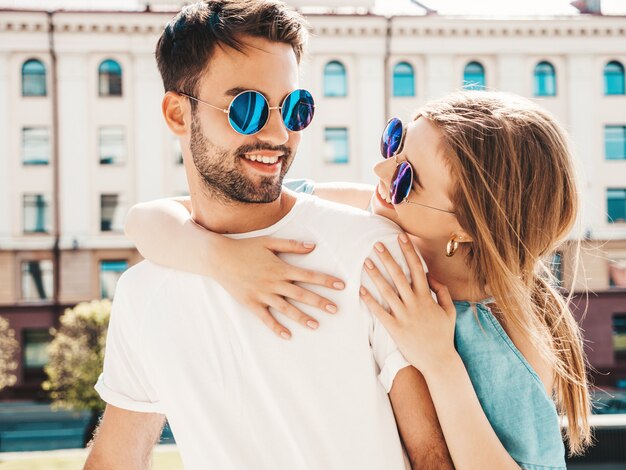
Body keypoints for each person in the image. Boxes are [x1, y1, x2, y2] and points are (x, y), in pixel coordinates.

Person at [125, 91, 594, 468]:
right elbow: (146, 220)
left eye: (408, 177)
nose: (380, 170)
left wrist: (440, 360)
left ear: (469, 227)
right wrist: (222, 259)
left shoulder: (510, 332)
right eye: (394, 143)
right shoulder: (373, 212)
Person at [85, 1, 452, 469]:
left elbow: (431, 455)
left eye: (295, 108)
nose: (279, 134)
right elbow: (116, 459)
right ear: (178, 115)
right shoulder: (142, 294)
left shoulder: (370, 248)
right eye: (247, 107)